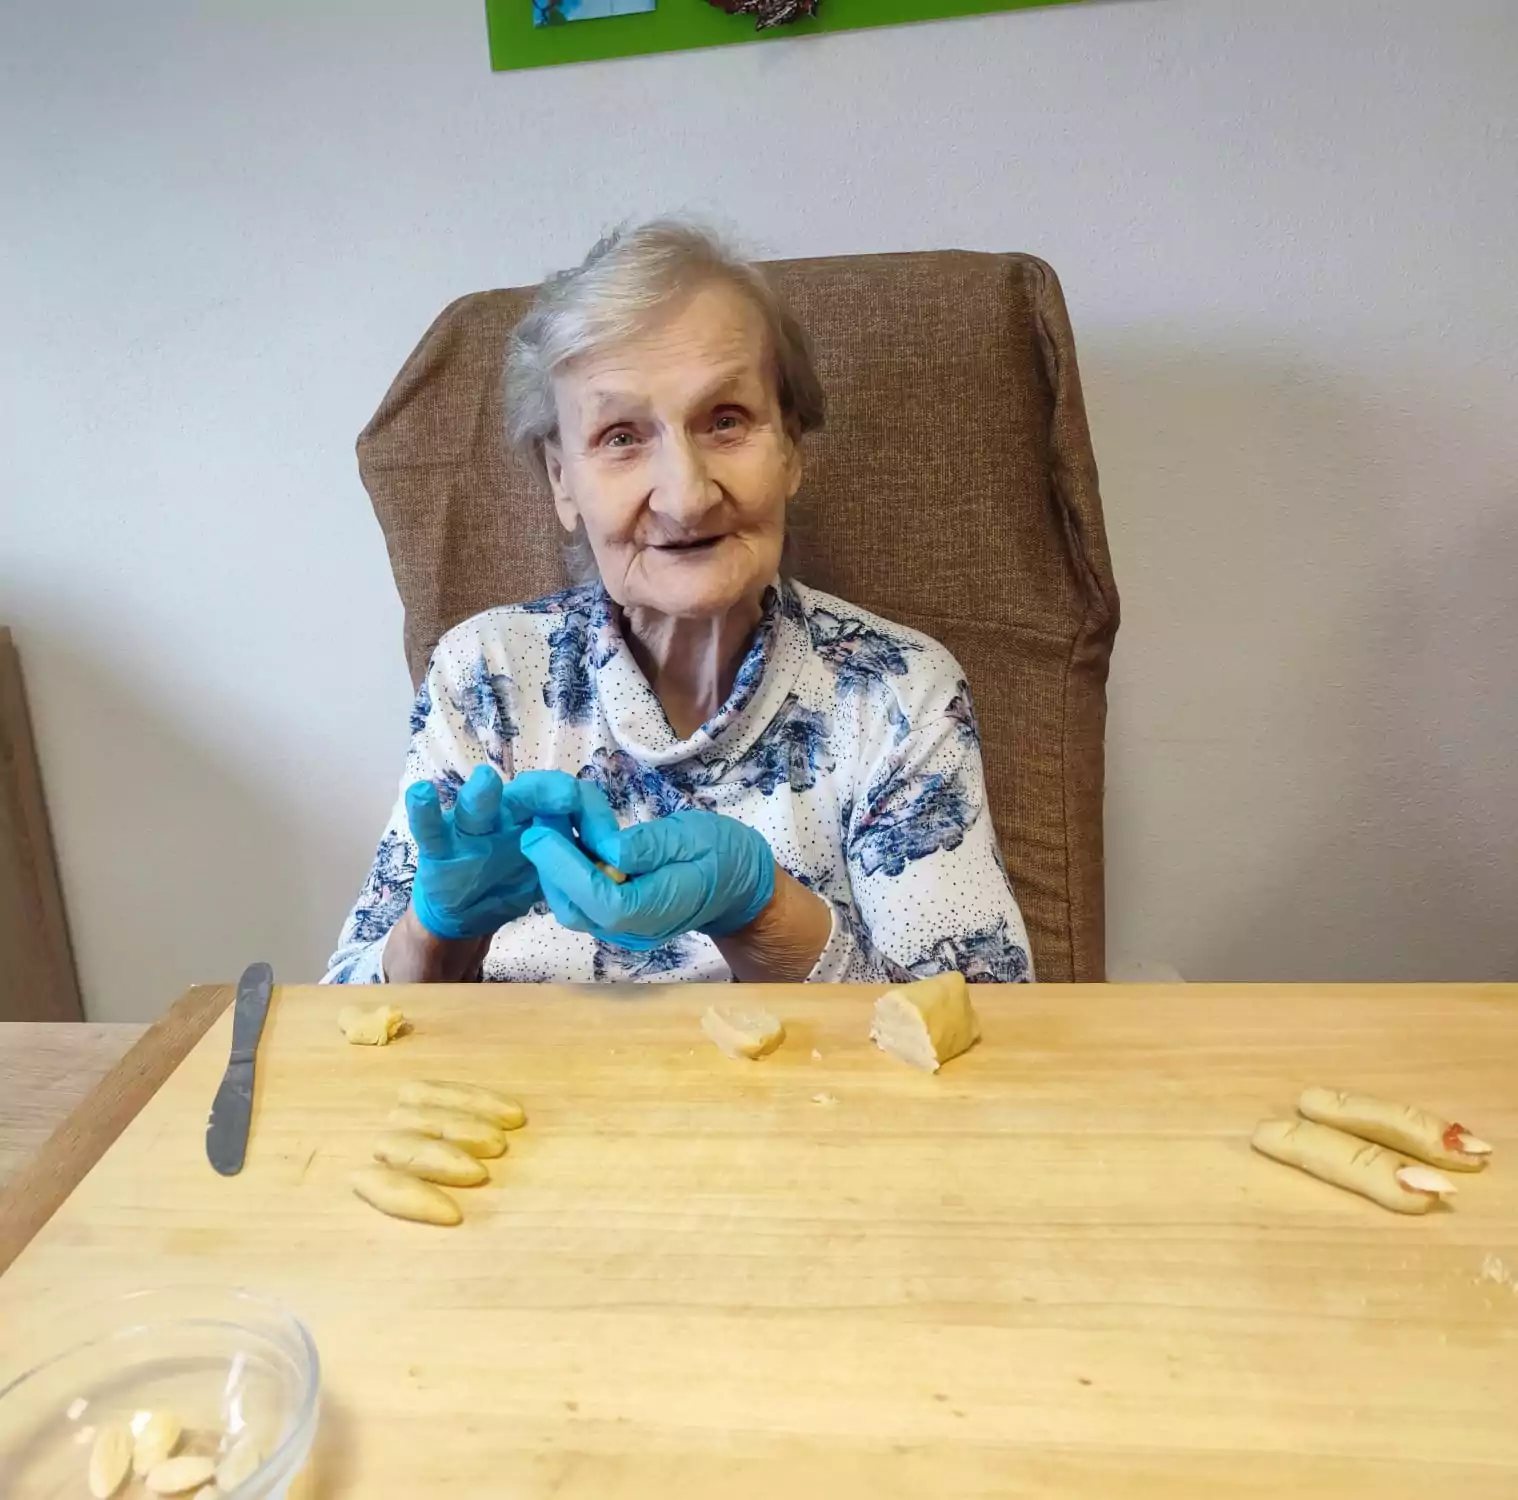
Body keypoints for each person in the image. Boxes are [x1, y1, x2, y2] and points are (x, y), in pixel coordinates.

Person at [323, 220, 1033, 987]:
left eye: (725, 421)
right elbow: (342, 1018)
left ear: (791, 448)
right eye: (621, 436)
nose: (687, 497)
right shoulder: (485, 675)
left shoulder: (896, 693)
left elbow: (989, 1028)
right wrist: (434, 938)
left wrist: (766, 916)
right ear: (562, 480)